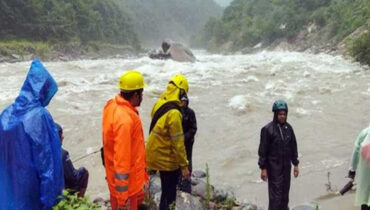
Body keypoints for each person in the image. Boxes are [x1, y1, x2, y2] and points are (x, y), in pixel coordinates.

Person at [0, 59, 64, 210]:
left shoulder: (6, 114)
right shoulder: (40, 116)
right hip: (31, 192)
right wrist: (50, 201)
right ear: (42, 89)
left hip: (8, 191)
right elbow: (48, 163)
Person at [102, 70, 149, 210]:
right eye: (141, 93)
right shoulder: (125, 120)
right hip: (126, 189)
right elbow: (122, 158)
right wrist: (123, 198)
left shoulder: (111, 105)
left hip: (115, 182)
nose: (142, 97)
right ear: (135, 94)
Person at [146, 74, 190, 210]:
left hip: (153, 154)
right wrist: (184, 166)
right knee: (170, 194)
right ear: (181, 92)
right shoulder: (175, 114)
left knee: (165, 190)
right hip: (166, 159)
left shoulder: (160, 103)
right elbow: (178, 143)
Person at [258, 99, 299, 210]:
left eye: (284, 114)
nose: (282, 116)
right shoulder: (267, 130)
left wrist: (295, 164)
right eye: (280, 114)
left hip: (286, 168)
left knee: (285, 196)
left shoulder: (289, 128)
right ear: (275, 114)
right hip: (274, 169)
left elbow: (293, 147)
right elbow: (263, 150)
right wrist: (263, 168)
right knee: (275, 197)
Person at [55, 123, 89, 197]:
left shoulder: (41, 152)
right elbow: (72, 178)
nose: (63, 137)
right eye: (60, 134)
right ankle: (79, 200)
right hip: (62, 190)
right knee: (84, 172)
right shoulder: (63, 154)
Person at [348, 125, 370, 210]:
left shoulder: (365, 132)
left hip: (366, 174)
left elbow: (356, 151)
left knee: (364, 197)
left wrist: (352, 170)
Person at [178, 95, 197, 193]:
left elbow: (194, 128)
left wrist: (185, 137)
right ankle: (178, 184)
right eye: (181, 101)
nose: (183, 103)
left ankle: (186, 186)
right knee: (178, 163)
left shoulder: (190, 113)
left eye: (185, 101)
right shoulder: (176, 112)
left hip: (188, 143)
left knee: (187, 162)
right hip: (178, 143)